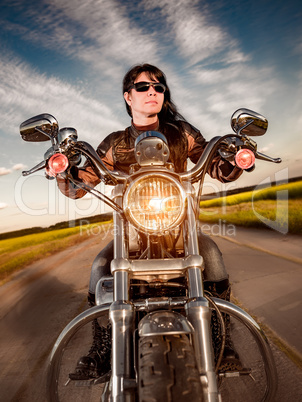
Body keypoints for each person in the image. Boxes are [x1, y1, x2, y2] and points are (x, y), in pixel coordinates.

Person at [53, 64, 244, 380]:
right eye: (143, 87)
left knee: (210, 255)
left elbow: (216, 168)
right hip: (132, 235)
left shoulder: (182, 133)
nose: (152, 91)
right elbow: (80, 183)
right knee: (101, 265)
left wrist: (232, 154)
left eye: (159, 86)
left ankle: (221, 342)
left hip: (180, 231)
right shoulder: (115, 142)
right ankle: (102, 348)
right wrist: (64, 168)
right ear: (128, 96)